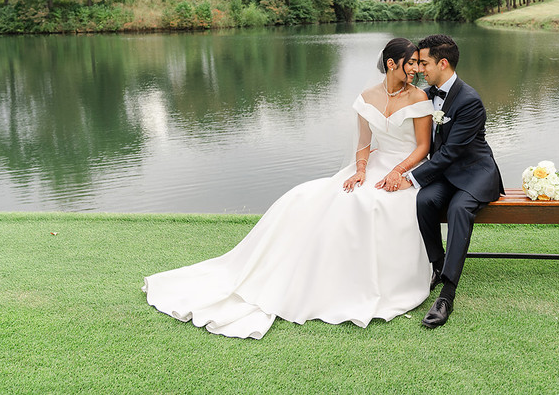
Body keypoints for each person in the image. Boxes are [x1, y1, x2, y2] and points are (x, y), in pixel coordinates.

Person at [143, 38, 434, 339]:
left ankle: (364, 283)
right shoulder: (366, 97)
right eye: (411, 62)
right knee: (307, 197)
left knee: (371, 204)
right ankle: (301, 276)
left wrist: (398, 172)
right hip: (372, 166)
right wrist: (360, 170)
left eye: (418, 63)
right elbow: (363, 144)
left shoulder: (418, 99)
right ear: (391, 64)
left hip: (405, 169)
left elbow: (423, 147)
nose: (416, 69)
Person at [405, 34, 503, 328]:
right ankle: (437, 265)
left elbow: (450, 153)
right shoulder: (428, 94)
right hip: (447, 174)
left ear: (442, 63)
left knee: (460, 209)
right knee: (424, 200)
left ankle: (447, 293)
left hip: (474, 172)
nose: (420, 68)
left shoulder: (470, 101)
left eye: (424, 62)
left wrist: (411, 177)